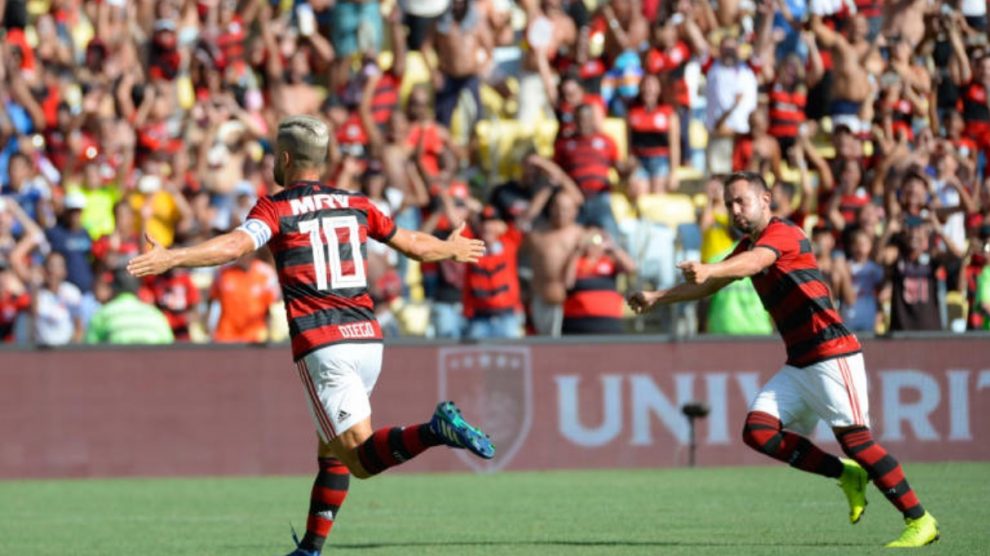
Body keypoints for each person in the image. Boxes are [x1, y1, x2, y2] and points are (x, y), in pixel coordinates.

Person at [127, 116, 495, 556]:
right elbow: (413, 245)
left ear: (284, 159)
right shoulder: (356, 202)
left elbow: (235, 247)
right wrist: (450, 247)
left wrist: (174, 257)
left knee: (358, 459)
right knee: (333, 450)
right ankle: (311, 549)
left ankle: (437, 430)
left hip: (324, 345)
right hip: (367, 338)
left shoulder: (275, 208)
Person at [627, 172, 939, 548]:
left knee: (857, 441)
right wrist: (657, 296)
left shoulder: (783, 233)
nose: (734, 209)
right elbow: (710, 284)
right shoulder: (747, 247)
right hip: (801, 361)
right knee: (758, 431)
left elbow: (754, 263)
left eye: (741, 200)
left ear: (766, 199)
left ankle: (920, 519)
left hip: (832, 352)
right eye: (729, 203)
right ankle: (845, 475)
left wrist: (712, 267)